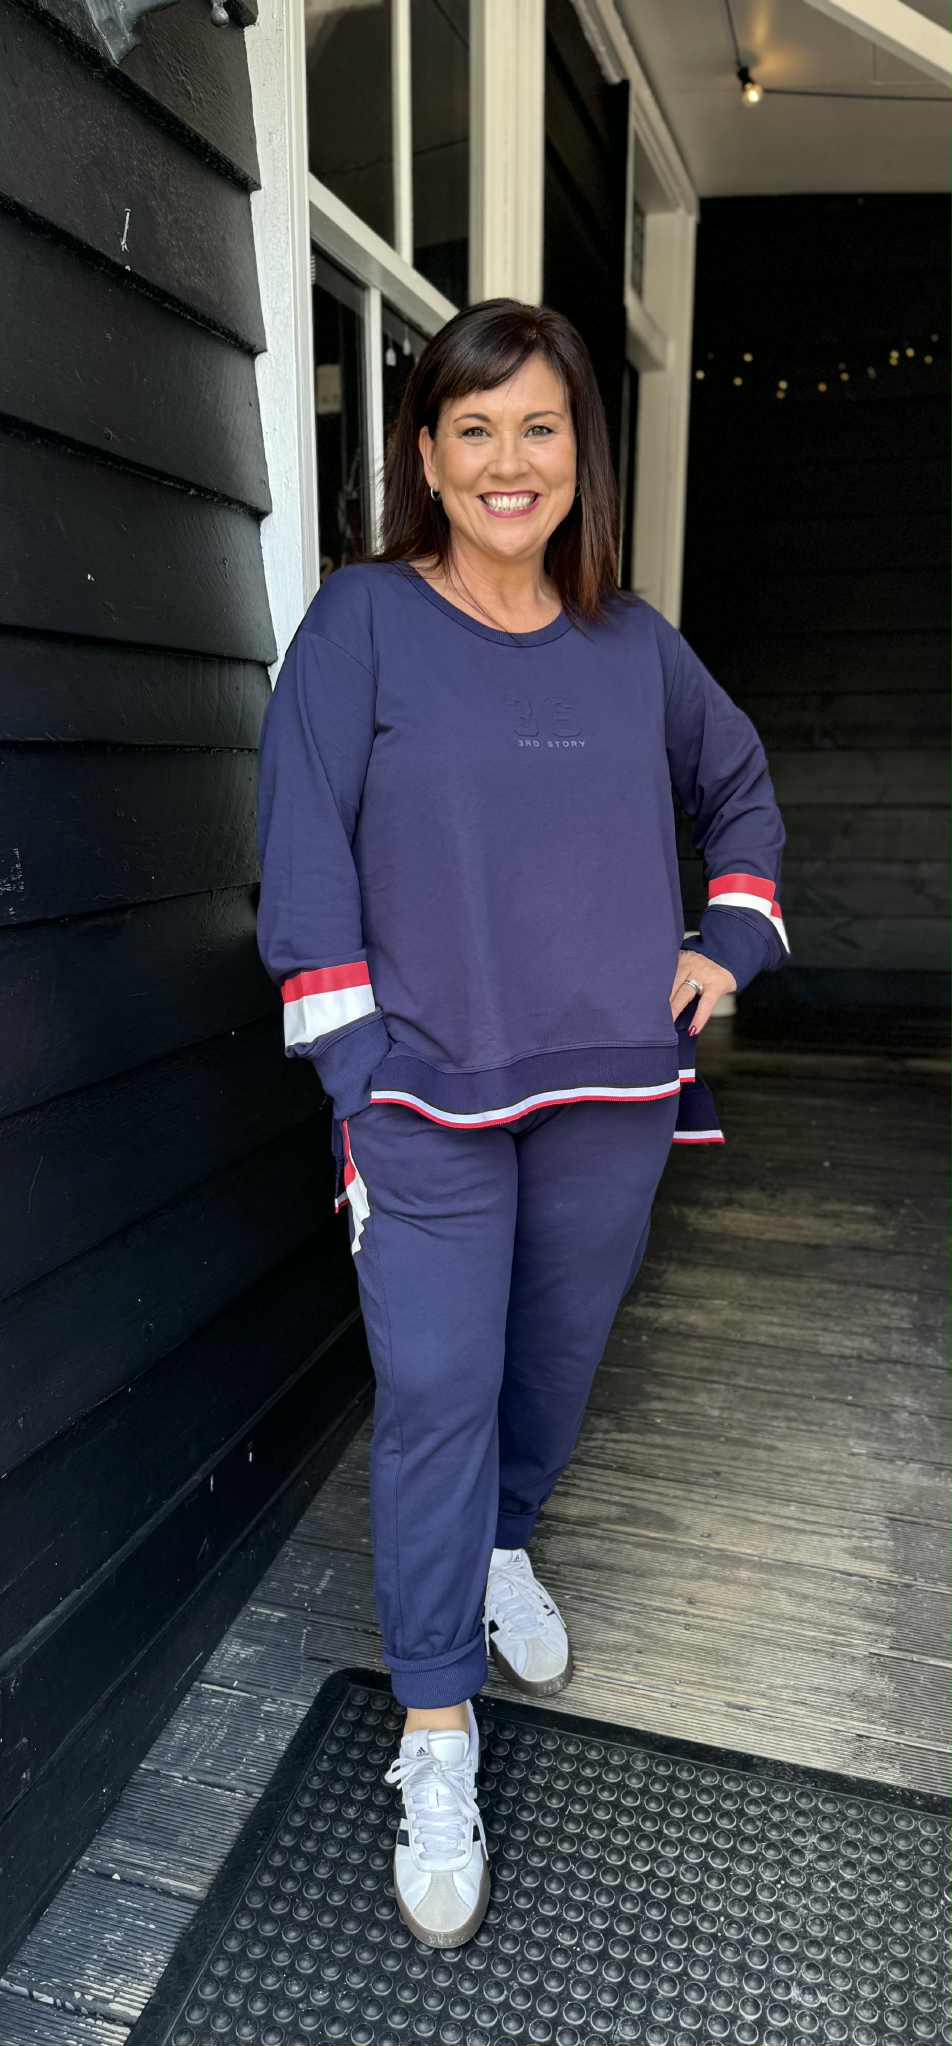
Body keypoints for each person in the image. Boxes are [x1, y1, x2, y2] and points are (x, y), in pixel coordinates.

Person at [255, 297, 789, 1950]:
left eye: (539, 427)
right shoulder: (358, 627)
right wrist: (351, 1068)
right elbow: (301, 843)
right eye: (474, 428)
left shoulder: (635, 643)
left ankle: (501, 1546)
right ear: (425, 452)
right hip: (420, 1091)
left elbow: (742, 788)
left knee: (549, 1363)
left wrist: (728, 938)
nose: (508, 460)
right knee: (432, 1387)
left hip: (614, 1084)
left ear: (580, 456)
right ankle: (434, 1727)